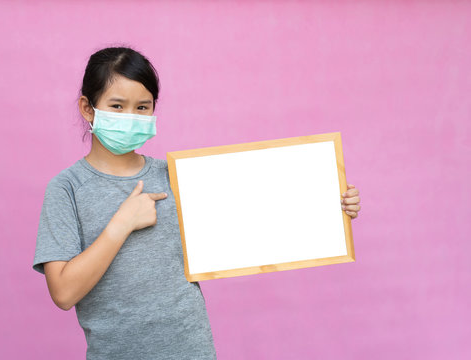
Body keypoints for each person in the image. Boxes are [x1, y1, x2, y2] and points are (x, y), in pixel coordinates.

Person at [32, 46, 362, 360]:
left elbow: (255, 217)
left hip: (191, 347)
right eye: (117, 106)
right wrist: (121, 224)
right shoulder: (66, 189)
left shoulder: (176, 176)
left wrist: (329, 204)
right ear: (88, 108)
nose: (131, 116)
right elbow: (63, 292)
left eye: (142, 107)